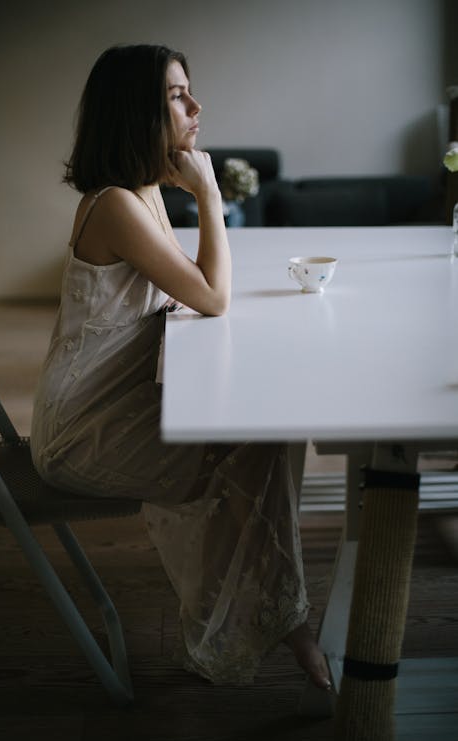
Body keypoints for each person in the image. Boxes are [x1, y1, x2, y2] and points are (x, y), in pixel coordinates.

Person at [30, 44, 330, 690]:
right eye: (176, 95)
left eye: (189, 91)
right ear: (139, 112)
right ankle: (278, 621)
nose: (196, 107)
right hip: (80, 433)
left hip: (105, 408)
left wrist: (194, 198)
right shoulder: (115, 205)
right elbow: (213, 295)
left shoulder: (139, 192)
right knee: (254, 440)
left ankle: (259, 619)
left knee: (262, 436)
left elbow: (196, 287)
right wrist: (210, 190)